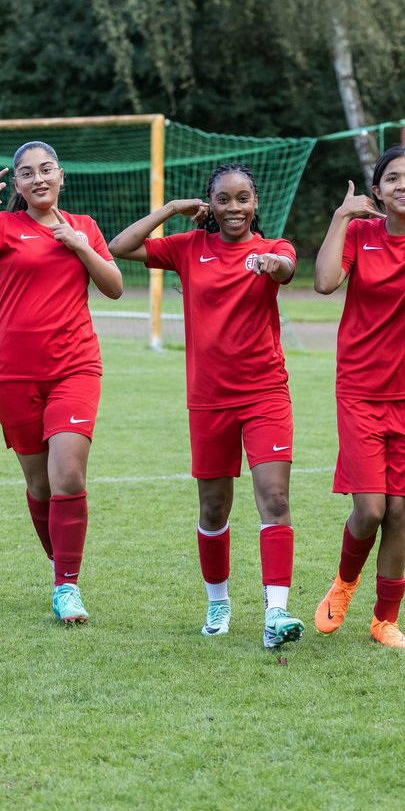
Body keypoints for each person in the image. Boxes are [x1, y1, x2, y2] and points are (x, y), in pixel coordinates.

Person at [109, 163, 306, 649]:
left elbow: (287, 268)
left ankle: (275, 613)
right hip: (209, 400)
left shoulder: (272, 248)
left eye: (243, 199)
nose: (234, 208)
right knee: (214, 507)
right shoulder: (188, 247)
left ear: (255, 203)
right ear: (210, 205)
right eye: (223, 199)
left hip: (265, 394)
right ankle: (218, 602)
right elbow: (119, 248)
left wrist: (270, 266)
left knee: (275, 499)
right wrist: (173, 209)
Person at [0, 140, 122, 624]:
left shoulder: (85, 228)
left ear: (61, 176)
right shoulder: (3, 227)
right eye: (26, 173)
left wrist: (81, 247)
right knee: (40, 486)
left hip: (75, 368)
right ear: (16, 184)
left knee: (68, 476)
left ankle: (67, 587)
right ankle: (59, 567)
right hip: (13, 374)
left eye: (46, 170)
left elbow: (115, 286)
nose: (37, 179)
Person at [311, 146, 405, 649]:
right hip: (359, 391)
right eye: (392, 178)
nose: (403, 185)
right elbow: (325, 282)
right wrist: (339, 217)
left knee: (399, 512)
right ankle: (344, 583)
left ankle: (384, 621)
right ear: (376, 191)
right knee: (370, 510)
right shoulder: (359, 233)